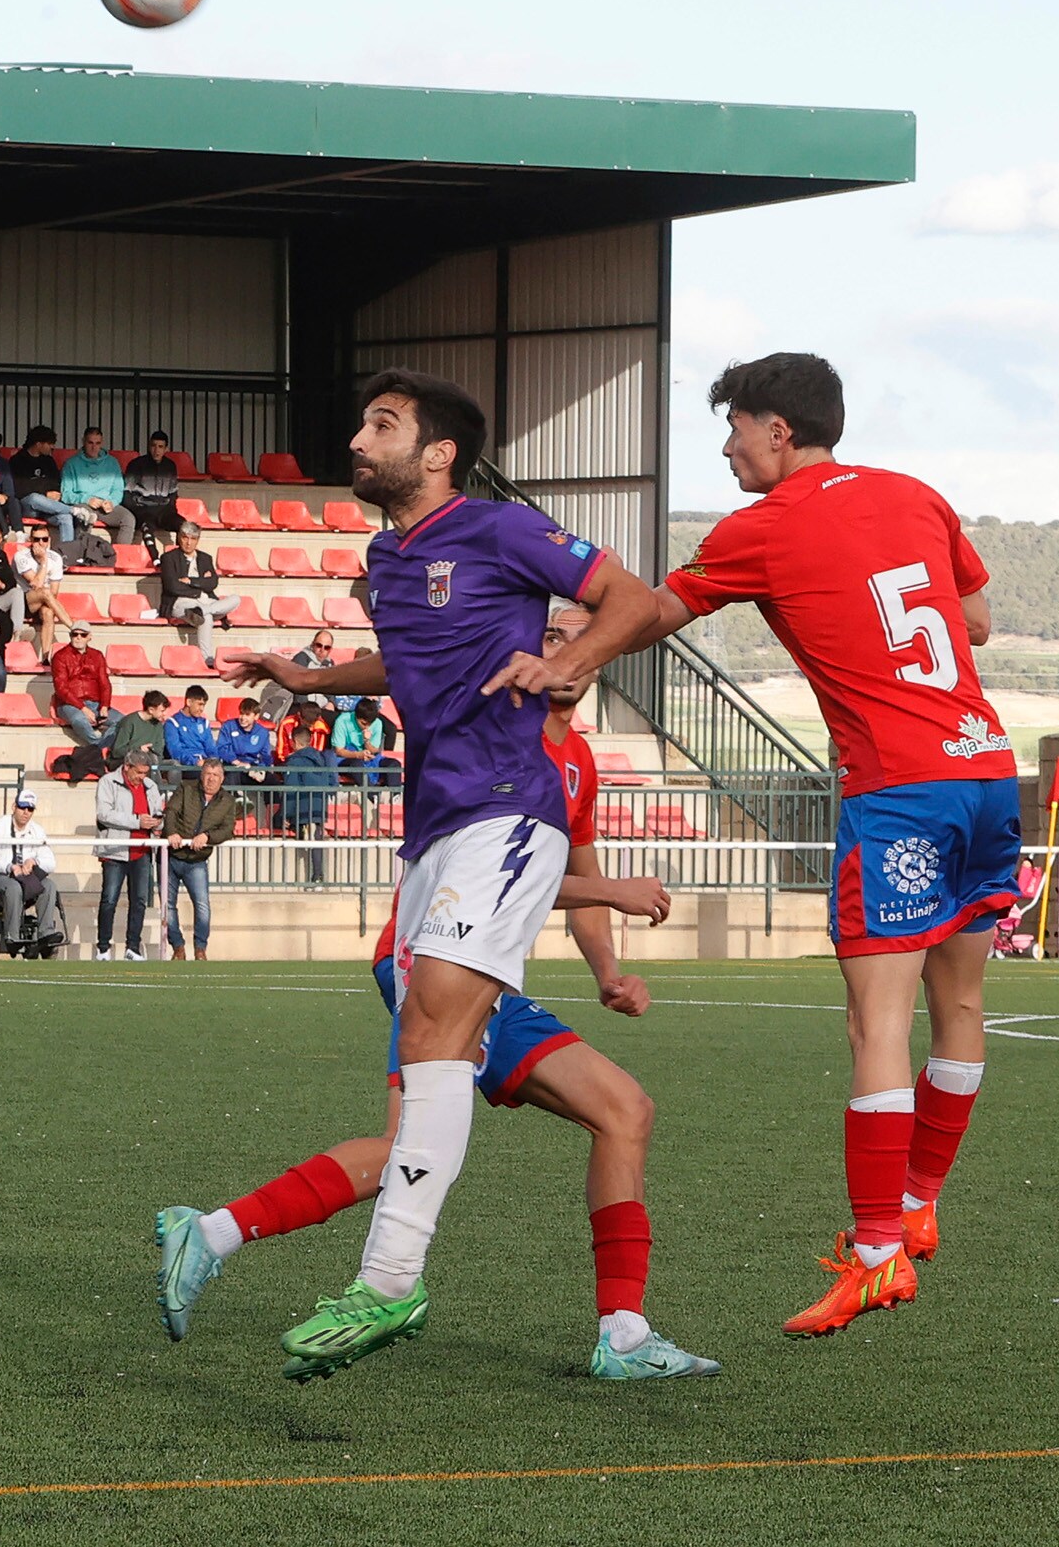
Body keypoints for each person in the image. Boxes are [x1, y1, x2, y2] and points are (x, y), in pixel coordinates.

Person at [222, 366, 656, 1379]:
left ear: (438, 453)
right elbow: (409, 667)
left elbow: (633, 597)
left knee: (437, 1030)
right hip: (433, 831)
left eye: (383, 423)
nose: (360, 437)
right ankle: (395, 1281)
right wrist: (310, 676)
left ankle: (388, 1281)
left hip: (507, 813)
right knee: (431, 1046)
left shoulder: (503, 529)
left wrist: (572, 659)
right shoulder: (389, 551)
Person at [158, 601, 717, 1382]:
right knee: (609, 1113)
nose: (560, 648)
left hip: (475, 968)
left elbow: (572, 875)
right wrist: (310, 674)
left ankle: (210, 1232)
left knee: (457, 1143)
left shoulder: (579, 764)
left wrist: (607, 973)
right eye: (547, 634)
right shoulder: (488, 725)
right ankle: (606, 1332)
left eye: (576, 638)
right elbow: (508, 868)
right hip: (433, 953)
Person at [636, 351, 1022, 1338]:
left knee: (874, 1025)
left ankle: (878, 1254)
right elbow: (973, 620)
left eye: (736, 428)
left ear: (779, 429)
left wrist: (568, 653)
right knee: (962, 1000)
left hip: (899, 790)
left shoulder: (763, 524)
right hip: (984, 769)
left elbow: (662, 612)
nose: (727, 446)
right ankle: (923, 1205)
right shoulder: (916, 494)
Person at [162, 757, 236, 961]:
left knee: (202, 905)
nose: (211, 779)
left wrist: (207, 837)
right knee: (167, 905)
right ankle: (177, 947)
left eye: (215, 775)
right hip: (171, 856)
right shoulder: (185, 789)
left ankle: (200, 948)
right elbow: (171, 812)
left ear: (222, 779)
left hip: (197, 860)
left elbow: (227, 829)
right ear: (201, 775)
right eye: (208, 774)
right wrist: (172, 832)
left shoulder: (228, 801)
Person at [95, 750, 163, 962]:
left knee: (140, 901)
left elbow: (156, 812)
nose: (143, 777)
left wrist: (158, 823)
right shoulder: (108, 782)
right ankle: (103, 948)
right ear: (127, 767)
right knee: (109, 900)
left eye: (146, 772)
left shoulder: (151, 786)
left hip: (142, 851)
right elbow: (103, 814)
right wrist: (137, 821)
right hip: (115, 850)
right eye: (140, 772)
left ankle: (132, 947)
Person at [0, 789, 62, 950]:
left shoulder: (37, 830)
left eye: (30, 809)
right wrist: (11, 866)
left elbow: (50, 861)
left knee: (49, 885)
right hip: (1, 876)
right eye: (22, 807)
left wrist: (34, 861)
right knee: (13, 887)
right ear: (14, 807)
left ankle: (46, 933)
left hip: (27, 877)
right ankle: (12, 936)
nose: (26, 812)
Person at [158, 522, 241, 667]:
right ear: (179, 538)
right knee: (206, 617)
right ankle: (207, 659)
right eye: (185, 538)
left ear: (198, 540)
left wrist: (190, 580)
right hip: (181, 601)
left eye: (193, 539)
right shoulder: (168, 558)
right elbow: (172, 587)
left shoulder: (205, 558)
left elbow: (213, 583)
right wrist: (200, 585)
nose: (188, 543)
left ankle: (202, 611)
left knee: (235, 599)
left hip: (205, 602)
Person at [275, 724, 339, 881]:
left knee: (278, 822)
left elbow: (291, 789)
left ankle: (303, 833)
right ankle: (318, 875)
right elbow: (333, 782)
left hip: (302, 807)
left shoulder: (294, 762)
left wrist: (285, 814)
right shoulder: (323, 758)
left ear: (294, 742)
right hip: (319, 806)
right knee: (317, 836)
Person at [60, 426, 136, 547]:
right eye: (90, 442)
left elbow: (118, 489)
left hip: (106, 505)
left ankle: (119, 557)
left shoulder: (112, 462)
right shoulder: (71, 464)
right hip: (84, 504)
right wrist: (86, 499)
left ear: (102, 443)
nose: (94, 447)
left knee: (128, 518)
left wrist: (112, 502)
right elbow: (66, 494)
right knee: (85, 516)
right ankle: (81, 555)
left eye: (97, 443)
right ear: (83, 441)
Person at [51, 620, 120, 749]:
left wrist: (105, 705)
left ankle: (100, 748)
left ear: (89, 637)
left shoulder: (97, 655)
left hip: (95, 703)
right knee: (79, 720)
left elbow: (105, 683)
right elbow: (61, 688)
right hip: (69, 704)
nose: (78, 638)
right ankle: (99, 747)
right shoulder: (60, 657)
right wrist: (83, 708)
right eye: (74, 634)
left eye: (82, 635)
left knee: (123, 722)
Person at [15, 526, 73, 662]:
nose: (41, 543)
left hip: (43, 601)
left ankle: (46, 657)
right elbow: (36, 584)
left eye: (44, 539)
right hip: (23, 601)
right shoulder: (21, 556)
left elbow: (54, 591)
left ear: (49, 540)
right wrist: (44, 562)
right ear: (30, 540)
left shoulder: (56, 558)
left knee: (48, 612)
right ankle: (73, 626)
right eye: (37, 539)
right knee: (44, 592)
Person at [123, 431, 184, 561]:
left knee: (185, 526)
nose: (156, 450)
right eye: (153, 446)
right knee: (147, 528)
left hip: (164, 511)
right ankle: (155, 560)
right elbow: (127, 494)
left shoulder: (170, 466)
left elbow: (173, 494)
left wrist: (171, 510)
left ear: (166, 448)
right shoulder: (136, 464)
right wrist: (138, 510)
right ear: (149, 446)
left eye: (160, 447)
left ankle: (180, 560)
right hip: (144, 510)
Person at [9, 425, 73, 545]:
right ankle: (73, 510)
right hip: (29, 508)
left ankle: (67, 555)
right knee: (34, 497)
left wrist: (52, 493)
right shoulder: (17, 461)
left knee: (66, 518)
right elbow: (19, 489)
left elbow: (55, 483)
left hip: (49, 508)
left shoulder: (49, 461)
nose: (52, 447)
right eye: (49, 444)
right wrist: (44, 492)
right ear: (38, 444)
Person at [258, 630, 335, 726]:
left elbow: (331, 686)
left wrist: (331, 702)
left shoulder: (329, 663)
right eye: (319, 645)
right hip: (302, 705)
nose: (322, 650)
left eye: (326, 647)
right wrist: (309, 708)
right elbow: (299, 687)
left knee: (336, 719)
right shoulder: (301, 659)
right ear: (313, 645)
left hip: (321, 707)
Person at [330, 697, 401, 788]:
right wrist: (358, 755)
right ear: (356, 716)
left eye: (370, 724)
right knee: (356, 765)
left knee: (394, 764)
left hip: (370, 759)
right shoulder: (342, 721)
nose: (366, 727)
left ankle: (395, 797)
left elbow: (374, 749)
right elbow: (339, 751)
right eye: (363, 723)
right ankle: (372, 795)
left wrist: (366, 741)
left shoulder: (377, 723)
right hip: (347, 758)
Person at [108, 689, 172, 770]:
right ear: (151, 710)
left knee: (174, 766)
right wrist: (138, 750)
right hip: (126, 761)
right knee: (149, 760)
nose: (164, 714)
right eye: (162, 711)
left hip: (151, 760)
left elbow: (159, 751)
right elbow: (117, 751)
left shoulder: (158, 725)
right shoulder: (129, 722)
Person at [214, 697, 273, 780]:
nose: (243, 718)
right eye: (241, 713)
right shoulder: (228, 726)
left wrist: (262, 769)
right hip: (233, 765)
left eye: (247, 715)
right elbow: (221, 748)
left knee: (272, 780)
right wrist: (237, 762)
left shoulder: (263, 732)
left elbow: (265, 755)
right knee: (232, 776)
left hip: (253, 767)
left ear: (256, 716)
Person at [164, 685, 220, 768]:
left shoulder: (204, 723)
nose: (202, 709)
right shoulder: (172, 723)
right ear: (189, 702)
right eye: (199, 704)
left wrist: (213, 761)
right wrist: (195, 762)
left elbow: (211, 748)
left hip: (206, 765)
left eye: (203, 705)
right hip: (186, 766)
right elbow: (176, 751)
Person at [275, 699, 329, 764]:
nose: (310, 726)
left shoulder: (320, 728)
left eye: (312, 723)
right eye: (307, 723)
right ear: (299, 715)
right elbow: (282, 750)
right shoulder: (286, 724)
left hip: (310, 763)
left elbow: (317, 752)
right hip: (289, 762)